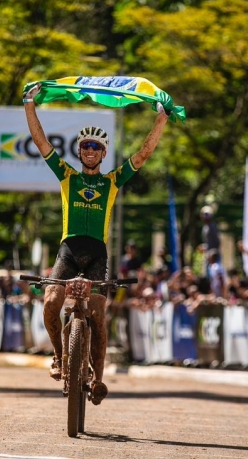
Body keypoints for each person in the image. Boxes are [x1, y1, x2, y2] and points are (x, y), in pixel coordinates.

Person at [23, 82, 171, 405]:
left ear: (104, 153)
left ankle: (99, 381)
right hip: (68, 251)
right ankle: (60, 357)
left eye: (96, 147)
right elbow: (40, 141)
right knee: (50, 303)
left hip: (97, 256)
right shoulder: (66, 176)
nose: (90, 151)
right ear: (80, 151)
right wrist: (29, 105)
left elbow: (144, 155)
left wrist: (161, 118)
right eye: (85, 146)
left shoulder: (112, 181)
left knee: (97, 316)